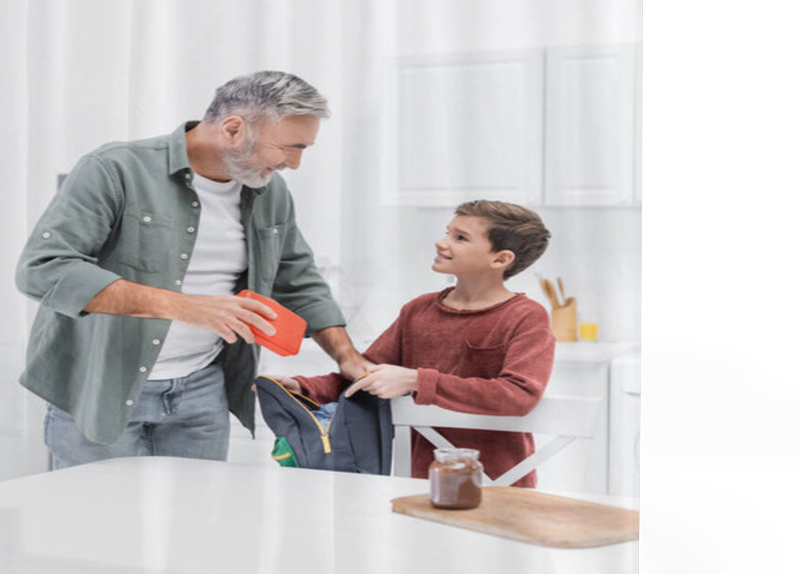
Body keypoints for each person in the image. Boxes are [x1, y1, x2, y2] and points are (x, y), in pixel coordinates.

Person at [15, 70, 370, 469]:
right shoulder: (114, 169)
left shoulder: (269, 192)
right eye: (290, 147)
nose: (295, 163)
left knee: (197, 524)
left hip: (202, 392)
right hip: (100, 390)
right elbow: (43, 269)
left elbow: (299, 278)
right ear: (233, 129)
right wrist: (185, 307)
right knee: (98, 525)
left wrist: (347, 357)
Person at [279, 200, 555, 488]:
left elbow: (518, 395)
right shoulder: (418, 310)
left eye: (460, 238)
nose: (441, 243)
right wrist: (305, 387)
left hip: (500, 484)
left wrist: (415, 380)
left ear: (500, 260)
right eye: (447, 233)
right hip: (420, 480)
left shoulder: (526, 316)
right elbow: (368, 374)